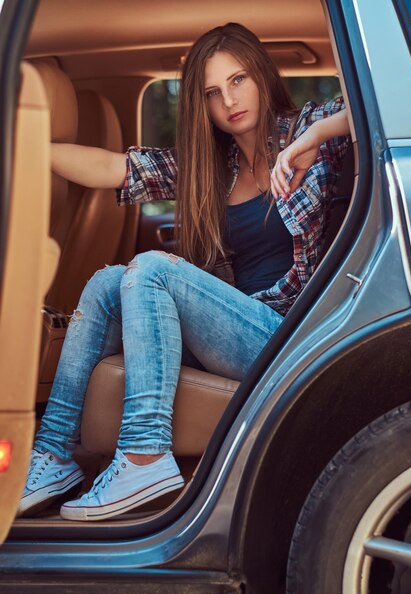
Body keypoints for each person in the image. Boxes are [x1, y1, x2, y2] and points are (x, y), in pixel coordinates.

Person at [18, 23, 350, 522]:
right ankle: (52, 454)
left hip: (289, 336)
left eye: (238, 81)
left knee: (152, 270)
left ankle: (144, 456)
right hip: (237, 325)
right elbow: (114, 169)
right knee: (107, 283)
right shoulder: (208, 167)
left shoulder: (310, 130)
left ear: (260, 76)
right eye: (213, 93)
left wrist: (318, 136)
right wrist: (25, 150)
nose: (229, 101)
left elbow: (393, 106)